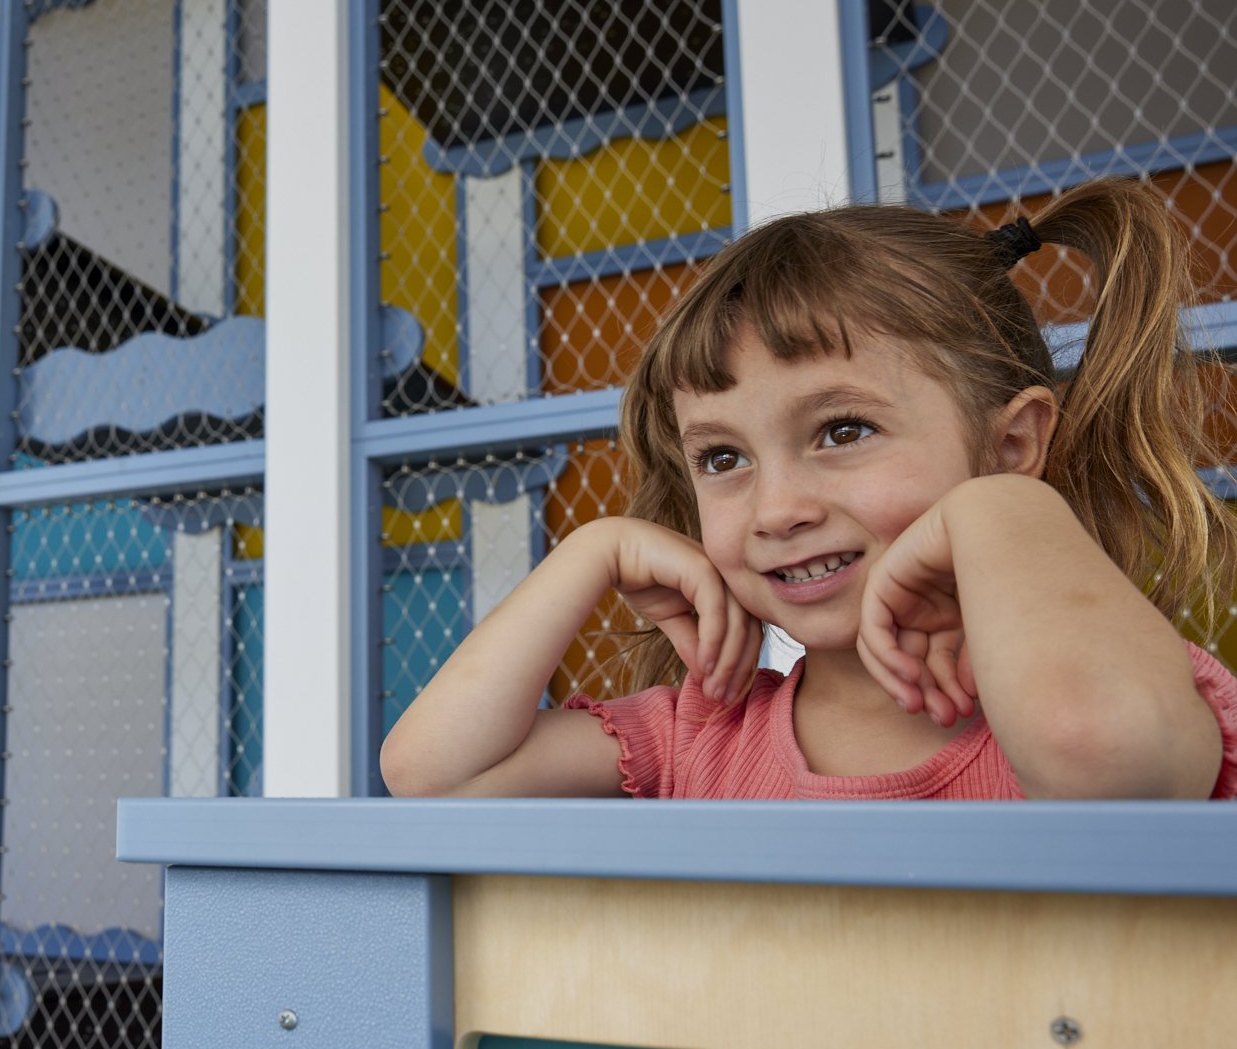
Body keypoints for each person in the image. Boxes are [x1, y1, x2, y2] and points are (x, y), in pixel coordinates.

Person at [379, 178, 1237, 801]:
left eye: (843, 431)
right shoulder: (700, 737)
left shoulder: (1132, 687)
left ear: (1013, 442)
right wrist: (589, 550)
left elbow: (1099, 756)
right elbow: (430, 773)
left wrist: (998, 507)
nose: (778, 507)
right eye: (722, 458)